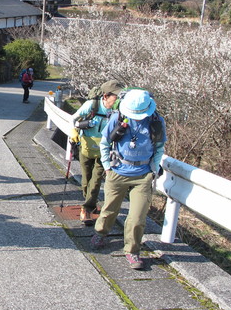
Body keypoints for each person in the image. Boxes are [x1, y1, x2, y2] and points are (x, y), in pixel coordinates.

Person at [90, 89, 166, 270]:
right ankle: (101, 232)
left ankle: (132, 250)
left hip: (143, 174)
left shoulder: (156, 122)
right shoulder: (117, 118)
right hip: (117, 171)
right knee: (110, 208)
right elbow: (105, 143)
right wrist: (107, 166)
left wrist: (154, 169)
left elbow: (160, 147)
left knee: (138, 217)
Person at [71, 80, 124, 225]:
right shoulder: (92, 105)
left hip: (104, 150)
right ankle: (89, 200)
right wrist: (74, 131)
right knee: (86, 179)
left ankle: (87, 208)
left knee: (96, 180)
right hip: (86, 146)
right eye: (116, 96)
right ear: (106, 96)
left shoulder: (118, 111)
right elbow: (74, 118)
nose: (118, 99)